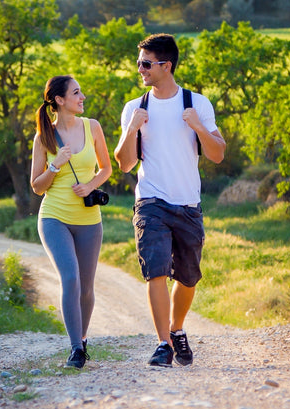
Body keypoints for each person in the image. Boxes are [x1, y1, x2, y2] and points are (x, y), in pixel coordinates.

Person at [114, 34, 226, 367]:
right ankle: (163, 343)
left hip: (188, 203)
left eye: (146, 64)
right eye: (139, 63)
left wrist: (198, 127)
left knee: (188, 277)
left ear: (167, 66)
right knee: (156, 271)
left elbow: (218, 154)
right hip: (151, 201)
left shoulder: (196, 104)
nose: (140, 69)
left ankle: (177, 329)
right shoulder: (135, 108)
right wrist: (131, 129)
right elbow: (124, 163)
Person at [30, 75, 112, 369]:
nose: (82, 97)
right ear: (60, 100)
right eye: (76, 93)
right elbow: (37, 186)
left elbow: (106, 168)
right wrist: (55, 165)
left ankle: (83, 338)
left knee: (86, 287)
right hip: (55, 218)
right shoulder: (44, 137)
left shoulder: (93, 127)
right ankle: (76, 349)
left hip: (89, 219)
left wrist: (90, 186)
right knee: (71, 279)